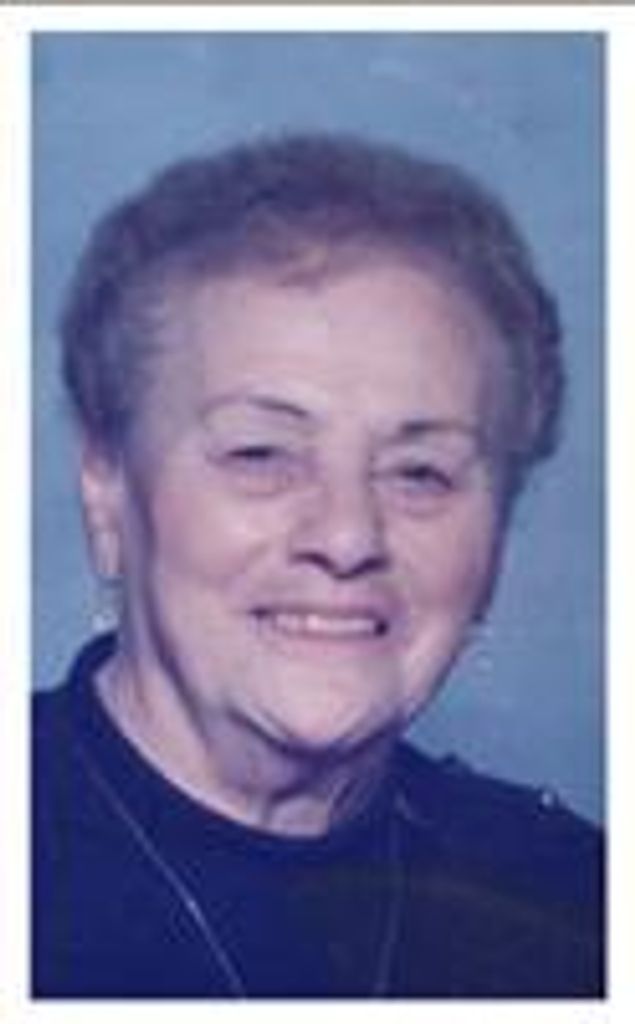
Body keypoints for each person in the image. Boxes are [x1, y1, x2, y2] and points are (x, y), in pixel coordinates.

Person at [33, 132, 603, 998]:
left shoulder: (576, 901)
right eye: (260, 454)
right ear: (107, 489)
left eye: (420, 473)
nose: (345, 538)